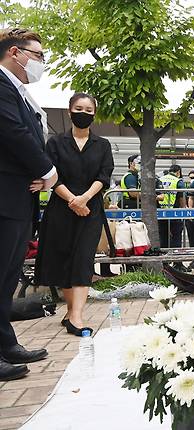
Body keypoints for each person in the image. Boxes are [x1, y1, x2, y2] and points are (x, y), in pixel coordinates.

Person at [0, 27, 58, 380]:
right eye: (37, 55)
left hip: (18, 197)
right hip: (5, 196)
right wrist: (48, 171)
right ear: (15, 53)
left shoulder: (17, 92)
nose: (40, 63)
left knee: (7, 278)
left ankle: (5, 343)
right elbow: (13, 133)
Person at [36, 92, 114, 336]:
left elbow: (104, 177)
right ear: (69, 112)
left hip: (90, 209)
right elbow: (52, 175)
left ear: (94, 114)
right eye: (79, 108)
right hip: (61, 207)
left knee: (82, 259)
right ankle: (71, 312)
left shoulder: (102, 145)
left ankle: (77, 317)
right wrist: (72, 199)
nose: (84, 113)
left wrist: (84, 199)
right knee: (64, 259)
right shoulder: (56, 143)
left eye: (89, 110)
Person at [158, 165, 186, 249]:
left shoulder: (160, 179)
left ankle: (164, 259)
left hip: (161, 213)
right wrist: (183, 210)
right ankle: (176, 261)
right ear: (178, 172)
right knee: (176, 235)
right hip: (175, 213)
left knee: (163, 236)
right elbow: (182, 198)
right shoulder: (178, 181)